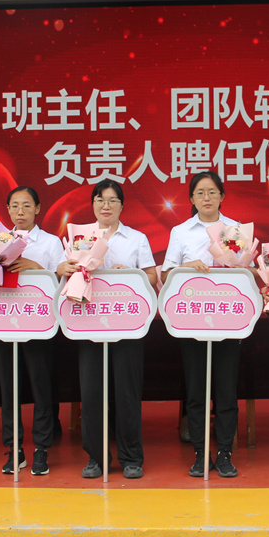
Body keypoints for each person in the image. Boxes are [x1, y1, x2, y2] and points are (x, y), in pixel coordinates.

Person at [57, 180, 157, 480]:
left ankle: (131, 457)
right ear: (93, 205)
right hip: (89, 323)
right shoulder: (79, 237)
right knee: (91, 394)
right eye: (100, 199)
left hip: (127, 325)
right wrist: (64, 269)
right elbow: (63, 270)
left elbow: (152, 276)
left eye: (113, 200)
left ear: (122, 206)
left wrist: (131, 274)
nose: (106, 205)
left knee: (127, 392)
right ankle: (96, 457)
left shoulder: (136, 238)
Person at [162, 171, 253, 478]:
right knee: (197, 392)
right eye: (200, 193)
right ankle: (201, 453)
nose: (207, 198)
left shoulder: (236, 230)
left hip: (228, 320)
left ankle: (225, 453)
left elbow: (249, 272)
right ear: (191, 198)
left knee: (226, 391)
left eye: (212, 192)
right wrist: (186, 267)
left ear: (222, 196)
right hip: (192, 322)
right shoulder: (180, 232)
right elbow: (165, 275)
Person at [0, 186, 64, 476]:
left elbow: (62, 281)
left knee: (41, 386)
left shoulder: (51, 242)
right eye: (15, 206)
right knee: (9, 388)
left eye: (27, 205)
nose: (20, 211)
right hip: (5, 322)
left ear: (38, 209)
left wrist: (36, 266)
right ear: (7, 210)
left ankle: (41, 448)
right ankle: (14, 448)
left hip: (39, 323)